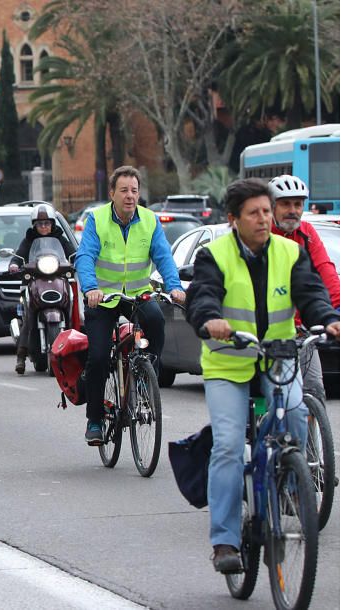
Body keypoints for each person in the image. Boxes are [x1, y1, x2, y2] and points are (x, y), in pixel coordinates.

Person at [184, 178, 340, 574]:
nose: (265, 219)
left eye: (267, 211)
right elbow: (202, 295)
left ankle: (290, 484)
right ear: (234, 219)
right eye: (254, 213)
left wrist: (329, 320)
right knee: (229, 446)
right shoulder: (214, 255)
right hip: (228, 364)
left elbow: (310, 292)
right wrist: (210, 319)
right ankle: (224, 541)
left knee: (294, 416)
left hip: (278, 357)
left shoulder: (291, 251)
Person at [75, 165, 186, 444]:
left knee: (157, 322)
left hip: (137, 293)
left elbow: (163, 257)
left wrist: (174, 286)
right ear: (112, 193)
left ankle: (145, 379)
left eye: (134, 191)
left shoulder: (149, 220)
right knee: (99, 356)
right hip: (103, 297)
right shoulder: (97, 220)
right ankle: (95, 419)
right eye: (123, 190)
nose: (129, 196)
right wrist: (90, 289)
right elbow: (85, 257)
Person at [267, 174, 341, 400]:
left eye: (298, 204)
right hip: (265, 330)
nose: (293, 210)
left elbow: (325, 269)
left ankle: (311, 435)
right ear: (271, 206)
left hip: (301, 328)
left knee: (314, 389)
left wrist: (337, 312)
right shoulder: (261, 234)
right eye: (286, 204)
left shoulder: (307, 233)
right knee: (269, 396)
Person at [12, 203, 77, 374]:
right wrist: (14, 264)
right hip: (34, 279)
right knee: (29, 317)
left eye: (47, 223)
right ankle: (21, 355)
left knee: (72, 308)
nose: (43, 227)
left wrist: (78, 259)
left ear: (53, 224)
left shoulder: (60, 238)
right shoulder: (29, 239)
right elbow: (20, 254)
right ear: (34, 225)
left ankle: (75, 349)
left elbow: (73, 253)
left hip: (57, 277)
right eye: (40, 224)